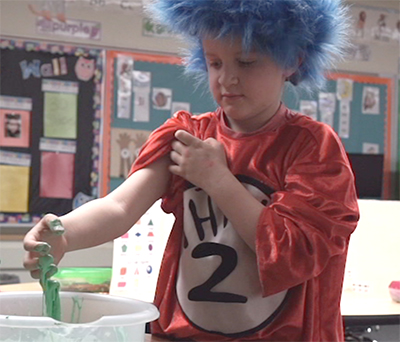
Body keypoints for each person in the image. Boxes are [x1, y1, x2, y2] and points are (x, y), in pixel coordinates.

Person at [24, 0, 360, 341]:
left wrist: (219, 181)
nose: (227, 78)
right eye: (214, 62)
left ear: (293, 60)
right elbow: (120, 207)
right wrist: (65, 233)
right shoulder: (186, 135)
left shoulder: (312, 147)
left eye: (246, 62)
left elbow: (292, 254)